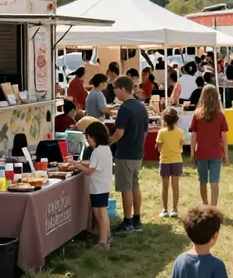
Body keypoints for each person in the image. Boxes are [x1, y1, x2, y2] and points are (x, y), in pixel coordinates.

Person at [110, 76, 149, 233]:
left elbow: (119, 133)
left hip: (125, 153)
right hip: (138, 152)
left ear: (122, 89)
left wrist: (109, 142)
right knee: (134, 185)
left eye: (115, 89)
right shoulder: (141, 106)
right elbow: (145, 132)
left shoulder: (124, 108)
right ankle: (136, 219)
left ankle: (127, 222)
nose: (114, 93)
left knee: (126, 188)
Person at [74, 121, 113, 250]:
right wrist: (80, 162)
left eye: (88, 138)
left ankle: (103, 242)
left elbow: (90, 170)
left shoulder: (97, 151)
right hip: (102, 186)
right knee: (99, 212)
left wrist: (78, 165)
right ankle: (107, 236)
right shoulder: (105, 149)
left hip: (98, 188)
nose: (87, 140)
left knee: (101, 214)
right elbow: (93, 163)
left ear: (94, 137)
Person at [189, 85, 229, 207]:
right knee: (214, 181)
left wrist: (192, 153)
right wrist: (226, 154)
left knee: (202, 181)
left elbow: (193, 136)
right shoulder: (220, 115)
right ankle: (213, 206)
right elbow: (224, 137)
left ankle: (205, 204)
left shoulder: (197, 115)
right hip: (216, 152)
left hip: (201, 152)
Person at [157, 107, 185, 219]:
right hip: (177, 160)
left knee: (165, 186)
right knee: (175, 186)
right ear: (176, 120)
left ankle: (164, 209)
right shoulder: (180, 132)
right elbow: (181, 144)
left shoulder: (161, 132)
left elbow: (158, 147)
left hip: (164, 161)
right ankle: (174, 209)